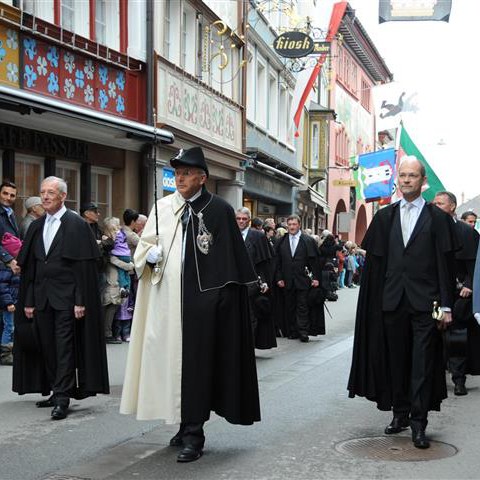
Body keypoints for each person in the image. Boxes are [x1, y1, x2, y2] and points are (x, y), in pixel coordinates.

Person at [120, 147, 260, 463]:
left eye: (187, 173)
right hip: (167, 300)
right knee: (175, 366)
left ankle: (194, 435)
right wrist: (148, 257)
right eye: (178, 173)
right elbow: (143, 252)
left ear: (202, 178)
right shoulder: (162, 208)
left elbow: (230, 263)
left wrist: (220, 300)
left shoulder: (220, 210)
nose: (180, 178)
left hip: (204, 303)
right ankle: (183, 425)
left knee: (197, 367)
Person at [348, 157, 458, 450]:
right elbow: (374, 269)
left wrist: (446, 306)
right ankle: (400, 414)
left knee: (422, 364)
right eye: (403, 175)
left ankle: (419, 424)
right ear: (397, 180)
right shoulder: (384, 218)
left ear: (423, 182)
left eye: (412, 176)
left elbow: (445, 266)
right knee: (395, 361)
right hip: (392, 302)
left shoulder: (438, 219)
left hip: (426, 305)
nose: (407, 180)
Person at [12, 176, 109, 420]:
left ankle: (63, 396)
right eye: (42, 192)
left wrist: (80, 300)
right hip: (42, 298)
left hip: (67, 299)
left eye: (50, 192)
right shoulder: (36, 225)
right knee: (46, 345)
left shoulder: (76, 225)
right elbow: (32, 268)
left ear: (63, 196)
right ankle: (56, 389)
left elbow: (83, 269)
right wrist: (30, 301)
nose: (45, 196)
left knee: (64, 346)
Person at [433, 191, 480, 395]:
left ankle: (459, 379)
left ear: (452, 206)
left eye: (440, 203)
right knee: (432, 335)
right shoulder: (427, 229)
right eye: (434, 203)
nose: (435, 206)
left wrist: (470, 284)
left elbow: (475, 264)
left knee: (458, 336)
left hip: (459, 294)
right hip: (433, 294)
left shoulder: (467, 232)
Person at [275, 214, 321, 342]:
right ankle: (292, 331)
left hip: (303, 280)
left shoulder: (308, 241)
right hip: (287, 280)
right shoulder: (281, 241)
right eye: (289, 225)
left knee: (302, 306)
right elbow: (277, 262)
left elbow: (315, 261)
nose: (291, 227)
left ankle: (303, 331)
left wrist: (316, 277)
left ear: (299, 225)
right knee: (289, 306)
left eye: (294, 224)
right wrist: (278, 278)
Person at [236, 207, 276, 350]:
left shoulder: (257, 236)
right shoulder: (230, 233)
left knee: (251, 315)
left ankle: (248, 347)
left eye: (244, 219)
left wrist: (264, 281)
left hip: (252, 283)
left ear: (249, 220)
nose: (241, 221)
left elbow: (264, 262)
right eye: (238, 218)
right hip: (233, 283)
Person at [0, 181, 21, 365]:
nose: (8, 198)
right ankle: (5, 352)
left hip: (9, 269)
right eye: (5, 193)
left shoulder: (11, 214)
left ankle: (6, 350)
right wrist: (9, 259)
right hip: (3, 266)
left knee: (6, 313)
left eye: (12, 195)